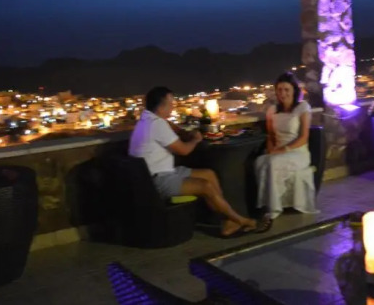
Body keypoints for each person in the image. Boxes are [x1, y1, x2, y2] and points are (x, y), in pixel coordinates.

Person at [129, 86, 269, 238]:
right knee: (205, 186)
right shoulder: (157, 124)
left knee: (208, 174)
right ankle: (242, 221)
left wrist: (184, 132)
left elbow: (172, 128)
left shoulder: (147, 119)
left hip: (159, 174)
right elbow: (184, 150)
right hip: (158, 180)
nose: (173, 107)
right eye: (171, 104)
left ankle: (227, 221)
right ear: (161, 106)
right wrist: (195, 140)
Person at [255, 72, 319, 223]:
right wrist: (271, 150)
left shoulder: (302, 107)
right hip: (278, 151)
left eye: (286, 89)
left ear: (294, 90)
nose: (282, 93)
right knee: (260, 162)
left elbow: (303, 137)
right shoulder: (272, 110)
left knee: (273, 163)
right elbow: (271, 136)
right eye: (279, 90)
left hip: (297, 152)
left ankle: (274, 209)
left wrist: (283, 150)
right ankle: (267, 203)